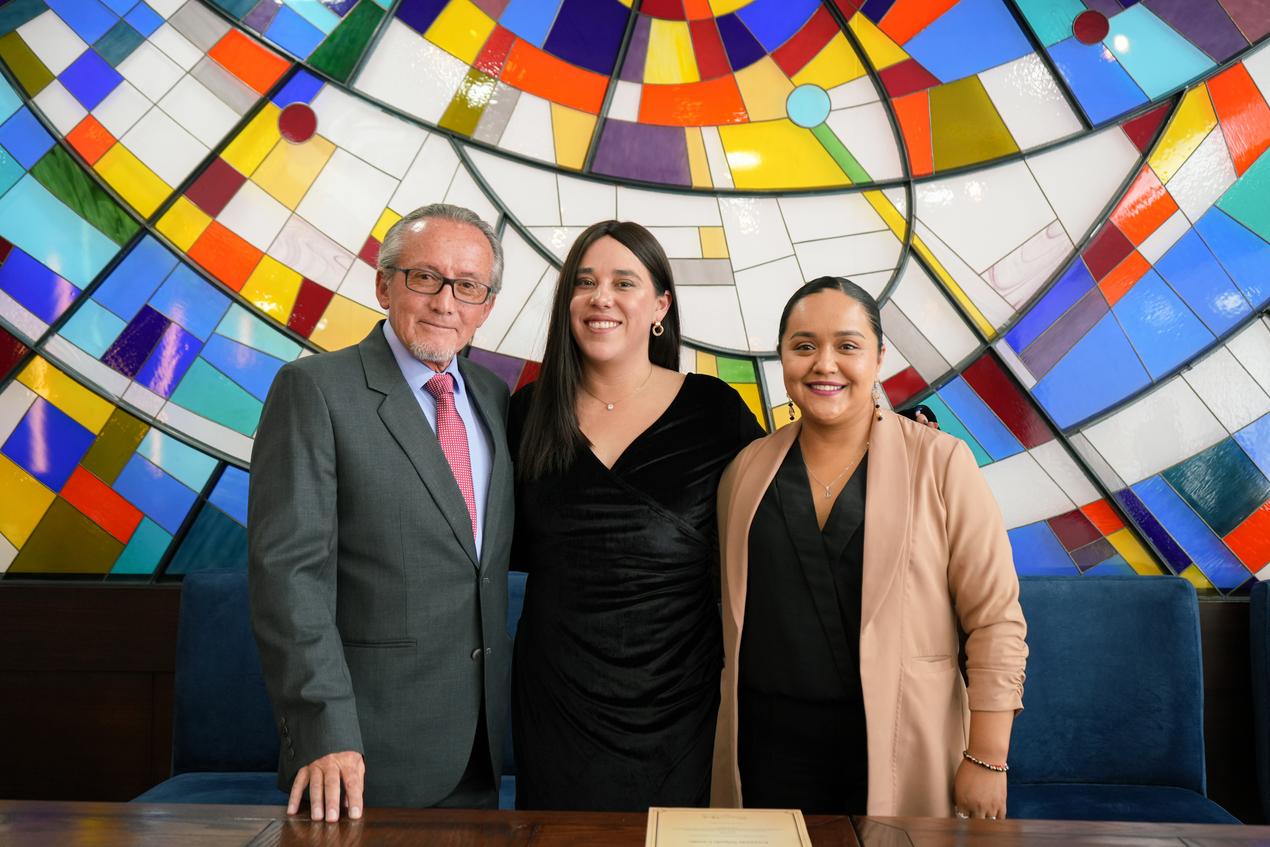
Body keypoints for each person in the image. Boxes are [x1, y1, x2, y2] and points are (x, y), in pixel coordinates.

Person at [710, 277, 1027, 819]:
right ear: (782, 356)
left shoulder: (940, 463)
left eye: (847, 346)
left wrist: (988, 756)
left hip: (897, 740)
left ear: (879, 357)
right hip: (767, 747)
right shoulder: (746, 471)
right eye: (804, 346)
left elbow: (995, 620)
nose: (824, 364)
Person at [248, 203, 514, 820]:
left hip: (480, 746)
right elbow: (288, 577)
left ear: (486, 306)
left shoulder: (494, 397)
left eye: (468, 286)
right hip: (362, 753)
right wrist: (323, 731)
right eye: (425, 277)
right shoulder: (315, 389)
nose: (446, 302)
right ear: (384, 285)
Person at [509, 221, 764, 811]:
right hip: (556, 705)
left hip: (682, 705)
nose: (601, 298)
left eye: (624, 282)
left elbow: (774, 531)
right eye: (585, 283)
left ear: (660, 307)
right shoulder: (525, 414)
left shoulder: (715, 411)